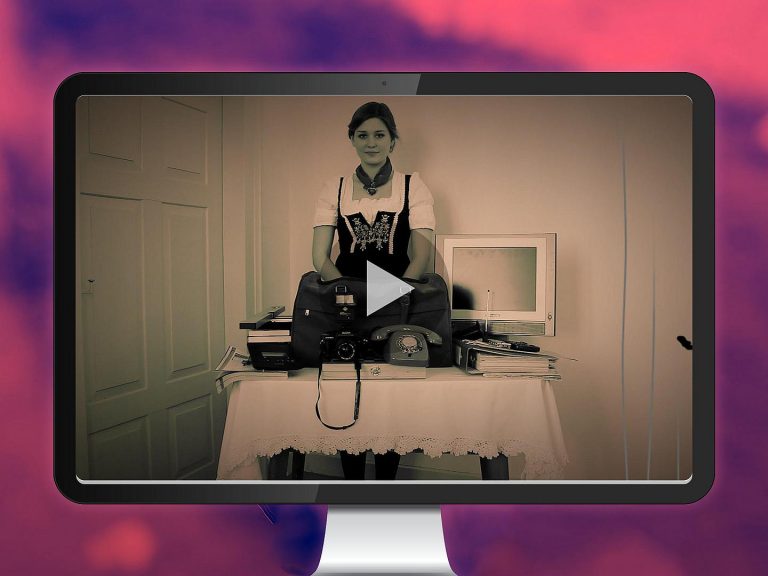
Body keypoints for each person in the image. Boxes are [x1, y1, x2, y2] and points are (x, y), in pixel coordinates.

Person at [312, 102, 436, 480]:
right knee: (347, 390)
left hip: (398, 302)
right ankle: (353, 487)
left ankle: (385, 488)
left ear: (392, 140)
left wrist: (392, 300)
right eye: (363, 135)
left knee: (391, 398)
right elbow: (320, 257)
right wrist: (348, 297)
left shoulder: (413, 186)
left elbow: (422, 255)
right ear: (352, 139)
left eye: (380, 135)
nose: (371, 143)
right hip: (345, 302)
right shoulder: (334, 189)